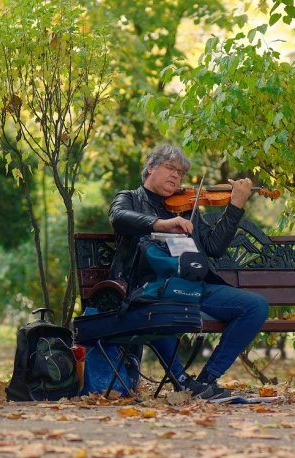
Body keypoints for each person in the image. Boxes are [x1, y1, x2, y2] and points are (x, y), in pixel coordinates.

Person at [108, 144, 269, 399]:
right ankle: (181, 380)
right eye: (170, 168)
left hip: (192, 286)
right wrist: (161, 224)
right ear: (151, 168)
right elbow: (118, 217)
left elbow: (214, 247)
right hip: (150, 289)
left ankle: (206, 380)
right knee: (159, 306)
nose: (176, 176)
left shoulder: (186, 207)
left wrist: (235, 206)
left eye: (181, 173)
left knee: (255, 306)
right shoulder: (130, 198)